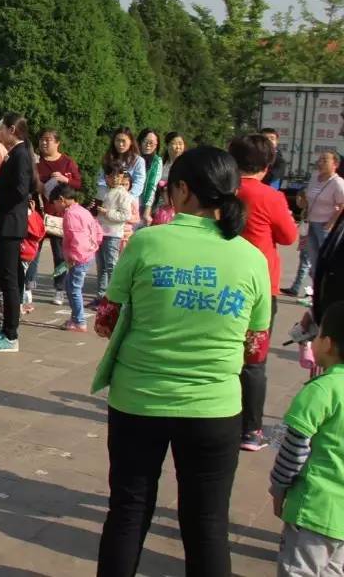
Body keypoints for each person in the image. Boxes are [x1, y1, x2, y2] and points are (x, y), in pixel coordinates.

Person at [94, 146, 272, 577]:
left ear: (183, 190)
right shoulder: (252, 258)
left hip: (139, 400)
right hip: (214, 408)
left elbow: (105, 321)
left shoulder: (147, 241)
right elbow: (256, 348)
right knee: (207, 523)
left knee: (129, 509)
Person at [229, 133, 298, 453]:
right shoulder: (270, 196)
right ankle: (251, 430)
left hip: (223, 279)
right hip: (260, 286)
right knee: (254, 360)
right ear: (268, 165)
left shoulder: (223, 190)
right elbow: (288, 236)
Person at [269, 301, 344, 577]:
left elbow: (294, 448)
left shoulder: (321, 390)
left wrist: (278, 488)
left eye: (318, 334)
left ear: (328, 343)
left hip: (313, 509)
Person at [0, 113, 34, 353]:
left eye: (2, 128)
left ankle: (11, 334)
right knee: (9, 278)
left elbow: (21, 190)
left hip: (10, 223)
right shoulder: (15, 153)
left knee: (9, 279)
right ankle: (6, 329)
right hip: (7, 223)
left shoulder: (20, 154)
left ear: (12, 129)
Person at [287, 151, 344, 298]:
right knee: (311, 259)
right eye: (320, 159)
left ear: (335, 164)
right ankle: (313, 291)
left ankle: (325, 293)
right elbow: (307, 198)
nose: (320, 162)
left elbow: (341, 205)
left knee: (324, 260)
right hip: (311, 223)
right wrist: (301, 201)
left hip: (325, 226)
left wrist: (331, 223)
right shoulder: (314, 178)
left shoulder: (338, 183)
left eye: (325, 160)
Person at [34, 128, 81, 305]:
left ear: (57, 142)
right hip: (39, 213)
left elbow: (79, 184)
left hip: (60, 216)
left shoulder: (67, 162)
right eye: (42, 139)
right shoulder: (36, 162)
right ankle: (29, 285)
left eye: (48, 140)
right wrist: (37, 185)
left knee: (60, 254)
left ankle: (59, 289)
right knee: (33, 251)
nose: (44, 143)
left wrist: (64, 179)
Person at [51, 185, 102, 332]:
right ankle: (75, 318)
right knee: (70, 286)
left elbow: (77, 239)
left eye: (54, 203)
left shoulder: (71, 214)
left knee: (74, 289)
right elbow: (97, 230)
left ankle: (79, 321)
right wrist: (94, 246)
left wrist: (74, 257)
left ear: (61, 199)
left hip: (79, 257)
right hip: (86, 254)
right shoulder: (82, 211)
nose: (54, 207)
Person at [95, 165, 136, 300]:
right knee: (101, 266)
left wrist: (107, 212)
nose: (114, 179)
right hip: (99, 232)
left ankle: (114, 296)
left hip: (113, 234)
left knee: (111, 265)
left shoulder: (123, 194)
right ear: (106, 177)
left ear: (122, 176)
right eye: (111, 176)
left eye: (118, 176)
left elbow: (125, 215)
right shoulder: (102, 190)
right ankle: (101, 296)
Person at [98, 127, 147, 201]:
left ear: (131, 142)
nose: (120, 144)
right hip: (108, 199)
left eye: (124, 141)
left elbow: (138, 183)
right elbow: (101, 181)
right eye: (118, 140)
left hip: (128, 201)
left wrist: (126, 198)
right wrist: (110, 196)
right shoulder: (107, 158)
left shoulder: (138, 161)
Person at [156, 132, 187, 223]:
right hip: (161, 204)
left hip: (179, 204)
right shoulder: (161, 163)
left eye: (180, 144)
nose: (178, 147)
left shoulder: (187, 164)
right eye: (174, 143)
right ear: (167, 145)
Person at [138, 129, 163, 222]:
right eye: (145, 141)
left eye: (151, 143)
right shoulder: (132, 157)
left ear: (156, 145)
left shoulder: (156, 161)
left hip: (142, 204)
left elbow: (152, 185)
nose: (148, 145)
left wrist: (147, 211)